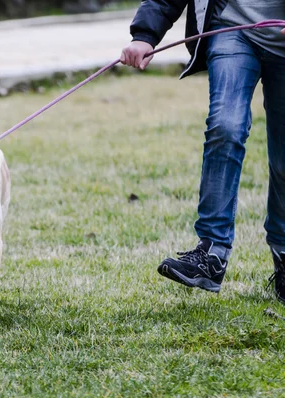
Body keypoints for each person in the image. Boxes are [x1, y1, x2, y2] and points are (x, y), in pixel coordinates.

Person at [120, 1, 285, 302]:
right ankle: (212, 253)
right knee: (225, 126)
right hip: (232, 29)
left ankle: (284, 252)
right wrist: (144, 34)